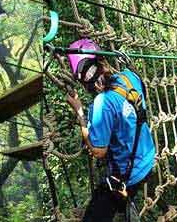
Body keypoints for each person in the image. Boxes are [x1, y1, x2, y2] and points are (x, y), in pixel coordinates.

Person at [65, 39, 155, 222]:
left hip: (128, 174)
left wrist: (80, 113)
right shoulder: (129, 76)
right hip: (147, 158)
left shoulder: (102, 103)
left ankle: (123, 200)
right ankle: (124, 202)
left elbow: (98, 151)